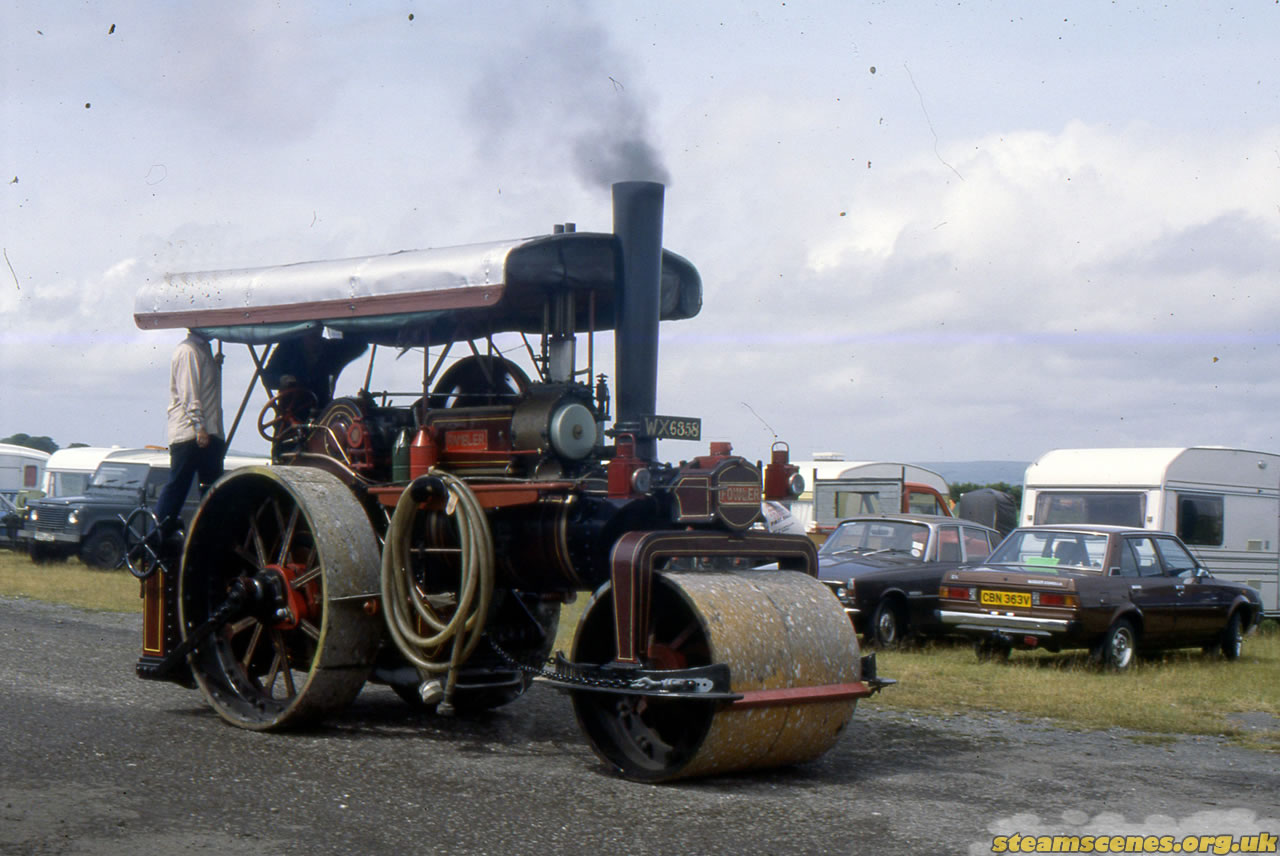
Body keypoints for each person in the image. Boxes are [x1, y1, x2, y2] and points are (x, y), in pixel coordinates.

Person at [154, 329, 225, 532]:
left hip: (209, 432)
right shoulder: (188, 351)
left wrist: (215, 366)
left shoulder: (203, 351)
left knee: (211, 490)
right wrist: (199, 426)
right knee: (178, 488)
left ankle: (206, 537)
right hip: (191, 434)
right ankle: (157, 537)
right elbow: (189, 393)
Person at [262, 327, 367, 409]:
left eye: (317, 332)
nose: (314, 337)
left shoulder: (332, 350)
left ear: (322, 330)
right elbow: (267, 377)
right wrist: (283, 380)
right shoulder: (287, 348)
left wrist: (346, 321)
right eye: (310, 332)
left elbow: (359, 345)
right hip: (291, 416)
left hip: (322, 415)